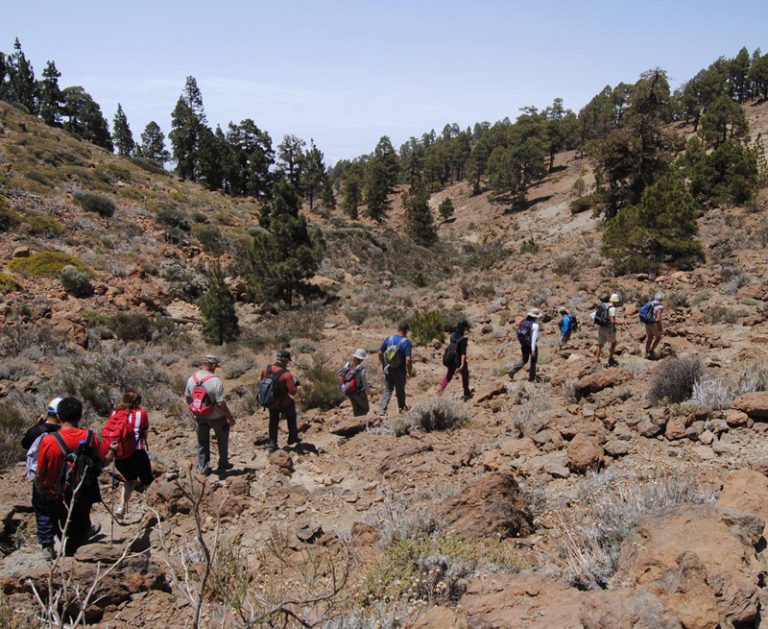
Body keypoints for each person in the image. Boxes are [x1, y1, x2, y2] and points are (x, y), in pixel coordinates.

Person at [34, 397, 114, 557]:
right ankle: (74, 553)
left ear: (58, 416)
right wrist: (113, 451)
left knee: (59, 526)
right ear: (80, 415)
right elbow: (102, 462)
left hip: (55, 496)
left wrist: (39, 488)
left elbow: (40, 473)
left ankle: (52, 548)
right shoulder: (90, 438)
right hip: (82, 495)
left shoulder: (49, 441)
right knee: (77, 533)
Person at [23, 397, 63, 555]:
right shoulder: (64, 431)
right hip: (61, 476)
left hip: (40, 476)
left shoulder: (37, 431)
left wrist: (37, 425)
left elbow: (25, 444)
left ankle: (47, 545)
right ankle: (69, 536)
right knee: (62, 507)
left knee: (42, 510)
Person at [184, 355, 236, 475]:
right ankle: (223, 463)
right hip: (217, 417)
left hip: (200, 417)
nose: (215, 368)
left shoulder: (191, 379)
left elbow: (187, 398)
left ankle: (203, 468)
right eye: (215, 366)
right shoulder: (215, 381)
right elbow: (221, 403)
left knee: (202, 442)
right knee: (222, 441)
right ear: (212, 365)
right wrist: (230, 418)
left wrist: (196, 410)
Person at [109, 390, 152, 520]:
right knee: (147, 482)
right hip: (137, 453)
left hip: (119, 455)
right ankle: (151, 509)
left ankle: (121, 507)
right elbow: (145, 434)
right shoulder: (141, 413)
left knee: (130, 479)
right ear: (138, 401)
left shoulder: (115, 413)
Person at [262, 350, 300, 452]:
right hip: (283, 401)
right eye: (288, 361)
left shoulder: (265, 369)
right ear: (285, 360)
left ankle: (272, 443)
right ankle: (292, 437)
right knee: (291, 414)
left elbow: (262, 382)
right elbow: (292, 392)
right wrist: (295, 386)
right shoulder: (286, 374)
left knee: (273, 421)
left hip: (270, 401)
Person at [378, 322, 413, 414]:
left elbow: (380, 353)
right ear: (406, 331)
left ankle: (382, 409)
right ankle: (401, 408)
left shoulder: (389, 339)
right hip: (400, 370)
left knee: (388, 388)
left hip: (389, 368)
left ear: (398, 329)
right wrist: (409, 372)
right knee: (400, 390)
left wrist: (383, 364)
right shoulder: (406, 342)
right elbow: (408, 359)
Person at [439, 319, 473, 401]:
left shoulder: (453, 335)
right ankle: (466, 393)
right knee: (465, 376)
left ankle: (440, 390)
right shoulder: (463, 339)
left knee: (448, 376)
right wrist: (462, 364)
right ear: (464, 328)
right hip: (458, 360)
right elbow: (463, 353)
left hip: (451, 359)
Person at [594, 293, 629, 366]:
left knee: (600, 344)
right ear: (615, 301)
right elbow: (612, 321)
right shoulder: (612, 308)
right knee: (614, 343)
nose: (617, 303)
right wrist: (621, 322)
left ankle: (596, 359)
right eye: (617, 302)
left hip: (601, 327)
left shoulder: (603, 305)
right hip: (608, 329)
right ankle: (610, 358)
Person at [508, 310, 542, 382]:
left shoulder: (523, 322)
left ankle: (513, 370)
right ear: (535, 317)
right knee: (533, 361)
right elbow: (533, 339)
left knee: (524, 360)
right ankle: (532, 377)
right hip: (531, 346)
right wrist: (533, 350)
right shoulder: (535, 325)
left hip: (524, 345)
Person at [341, 348, 371, 417]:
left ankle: (356, 421)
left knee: (356, 409)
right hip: (358, 392)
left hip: (348, 390)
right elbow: (364, 383)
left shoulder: (347, 364)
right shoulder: (361, 369)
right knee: (365, 409)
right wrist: (370, 393)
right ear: (362, 359)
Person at [642, 293, 665, 360]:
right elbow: (658, 319)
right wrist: (660, 327)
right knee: (658, 338)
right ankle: (651, 351)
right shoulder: (659, 306)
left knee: (649, 338)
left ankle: (646, 354)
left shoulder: (650, 303)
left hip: (647, 323)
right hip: (654, 323)